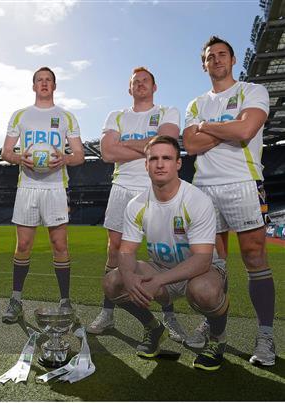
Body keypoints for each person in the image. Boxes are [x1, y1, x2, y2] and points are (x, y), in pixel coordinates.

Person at [183, 36, 274, 366]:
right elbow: (190, 145)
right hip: (204, 189)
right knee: (212, 265)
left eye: (222, 55)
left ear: (233, 60)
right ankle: (215, 329)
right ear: (204, 64)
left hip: (244, 184)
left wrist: (209, 127)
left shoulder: (251, 91)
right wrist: (227, 127)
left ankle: (265, 334)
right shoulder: (195, 104)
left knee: (254, 256)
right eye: (210, 56)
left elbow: (245, 131)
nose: (217, 60)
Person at [103, 135, 229, 371]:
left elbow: (202, 259)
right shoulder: (137, 204)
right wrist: (130, 278)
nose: (160, 164)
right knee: (113, 282)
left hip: (201, 272)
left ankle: (217, 338)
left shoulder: (197, 200)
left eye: (167, 158)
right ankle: (153, 327)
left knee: (204, 291)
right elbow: (127, 251)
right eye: (154, 159)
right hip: (161, 267)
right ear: (146, 164)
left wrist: (158, 281)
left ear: (178, 164)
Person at [89, 67, 186, 342]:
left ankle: (169, 316)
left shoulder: (168, 112)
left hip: (157, 186)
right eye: (135, 82)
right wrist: (147, 146)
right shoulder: (116, 115)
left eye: (145, 81)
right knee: (115, 251)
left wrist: (127, 144)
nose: (140, 85)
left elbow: (165, 145)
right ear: (129, 89)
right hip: (122, 187)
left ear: (154, 87)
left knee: (163, 254)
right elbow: (108, 152)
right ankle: (107, 312)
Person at [0, 67, 85, 322]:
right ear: (34, 86)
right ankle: (15, 301)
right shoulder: (20, 116)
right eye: (40, 80)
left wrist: (65, 159)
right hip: (27, 186)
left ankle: (65, 300)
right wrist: (19, 157)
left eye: (48, 80)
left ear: (54, 86)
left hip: (55, 187)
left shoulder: (67, 117)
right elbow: (6, 152)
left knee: (60, 245)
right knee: (23, 245)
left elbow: (79, 156)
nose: (44, 83)